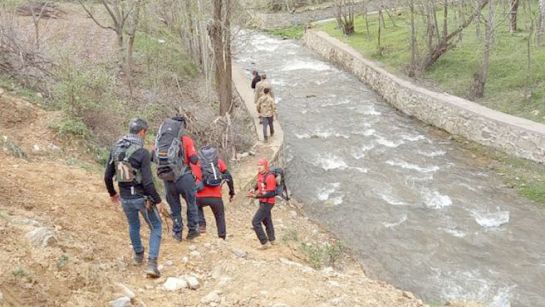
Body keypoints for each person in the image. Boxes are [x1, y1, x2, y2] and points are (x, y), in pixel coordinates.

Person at [104, 118, 163, 278]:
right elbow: (148, 182)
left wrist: (112, 194)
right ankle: (152, 264)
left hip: (125, 198)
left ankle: (138, 255)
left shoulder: (116, 148)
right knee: (156, 227)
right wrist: (158, 200)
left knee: (133, 225)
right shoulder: (142, 152)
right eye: (145, 133)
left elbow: (108, 176)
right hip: (142, 198)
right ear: (142, 132)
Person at [154, 116, 200, 241]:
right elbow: (194, 159)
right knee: (191, 203)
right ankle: (192, 230)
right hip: (185, 178)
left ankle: (177, 233)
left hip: (168, 179)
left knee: (175, 207)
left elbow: (153, 157)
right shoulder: (186, 140)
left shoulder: (161, 141)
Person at [193, 145, 235, 239]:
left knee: (196, 205)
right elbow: (229, 176)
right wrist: (231, 192)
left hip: (199, 196)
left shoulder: (196, 163)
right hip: (216, 196)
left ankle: (201, 225)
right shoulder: (218, 162)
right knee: (220, 216)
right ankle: (222, 237)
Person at [247, 158, 277, 250]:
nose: (259, 167)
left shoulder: (270, 177)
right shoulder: (260, 174)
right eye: (258, 165)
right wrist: (254, 189)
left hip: (268, 202)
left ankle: (264, 242)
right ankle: (272, 240)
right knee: (267, 220)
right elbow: (259, 182)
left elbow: (271, 193)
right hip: (263, 201)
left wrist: (257, 197)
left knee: (255, 221)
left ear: (266, 166)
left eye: (261, 165)